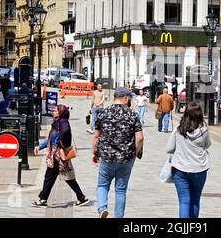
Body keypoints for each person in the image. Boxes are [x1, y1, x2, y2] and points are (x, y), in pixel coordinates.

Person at [92, 87, 144, 218]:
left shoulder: (103, 113)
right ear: (125, 98)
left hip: (107, 156)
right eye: (129, 98)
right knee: (121, 190)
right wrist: (135, 153)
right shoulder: (133, 115)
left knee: (102, 185)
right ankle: (118, 216)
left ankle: (102, 207)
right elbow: (140, 138)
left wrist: (94, 153)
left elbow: (96, 136)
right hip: (126, 158)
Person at [32, 105, 89, 207]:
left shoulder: (62, 123)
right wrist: (39, 146)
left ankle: (42, 199)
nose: (53, 112)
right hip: (57, 156)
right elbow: (50, 139)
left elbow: (65, 132)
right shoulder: (57, 123)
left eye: (55, 111)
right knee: (67, 178)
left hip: (57, 157)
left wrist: (60, 142)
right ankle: (81, 197)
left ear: (60, 113)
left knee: (50, 177)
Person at [166, 102, 211, 218]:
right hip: (199, 169)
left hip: (180, 170)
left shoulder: (178, 130)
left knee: (184, 201)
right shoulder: (204, 131)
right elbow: (208, 145)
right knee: (195, 200)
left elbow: (169, 148)